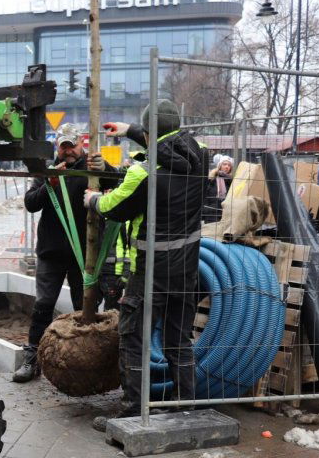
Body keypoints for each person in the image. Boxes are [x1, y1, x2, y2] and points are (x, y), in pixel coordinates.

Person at [86, 99, 205, 424]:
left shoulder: (143, 173)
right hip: (186, 271)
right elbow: (166, 142)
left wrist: (94, 199)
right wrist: (130, 131)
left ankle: (131, 411)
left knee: (133, 338)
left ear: (150, 134)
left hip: (150, 272)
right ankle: (185, 408)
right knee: (177, 340)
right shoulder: (200, 156)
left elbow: (114, 207)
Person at [13, 124, 118, 382]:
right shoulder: (50, 170)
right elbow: (30, 203)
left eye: (72, 146)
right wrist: (49, 182)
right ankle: (32, 358)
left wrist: (106, 168)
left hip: (85, 253)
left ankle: (87, 362)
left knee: (84, 307)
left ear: (81, 143)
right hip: (51, 251)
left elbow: (121, 182)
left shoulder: (92, 168)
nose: (68, 152)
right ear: (58, 147)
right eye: (64, 147)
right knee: (43, 305)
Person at [202, 154, 234, 223]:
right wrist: (205, 210)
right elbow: (204, 195)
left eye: (229, 165)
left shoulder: (232, 182)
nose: (227, 167)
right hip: (211, 213)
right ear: (220, 166)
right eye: (224, 164)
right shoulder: (211, 179)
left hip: (226, 214)